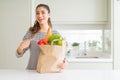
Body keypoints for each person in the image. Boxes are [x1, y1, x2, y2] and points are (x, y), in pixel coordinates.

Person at [16, 4, 67, 70]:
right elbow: (18, 55)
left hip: (48, 72)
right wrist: (20, 47)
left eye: (43, 12)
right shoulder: (31, 33)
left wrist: (65, 62)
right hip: (32, 71)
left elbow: (60, 53)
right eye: (37, 13)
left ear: (49, 15)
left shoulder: (55, 34)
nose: (40, 15)